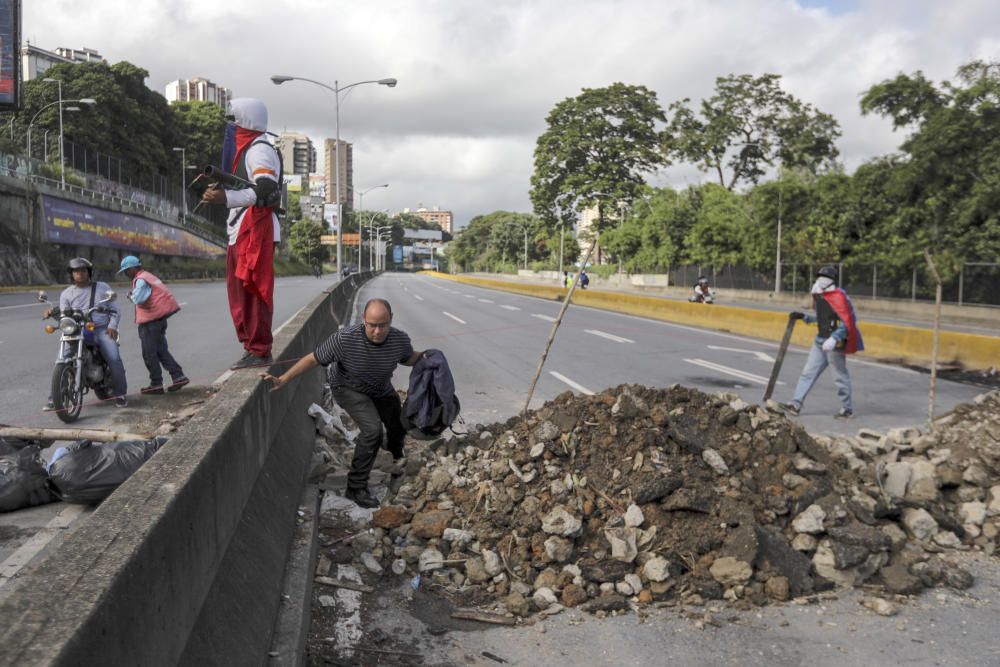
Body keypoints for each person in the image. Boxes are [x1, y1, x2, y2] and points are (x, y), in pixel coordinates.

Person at [261, 299, 424, 508]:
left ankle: (395, 459)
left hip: (380, 388)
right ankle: (356, 487)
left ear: (391, 320)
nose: (376, 331)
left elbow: (408, 358)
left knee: (397, 425)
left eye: (382, 325)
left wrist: (429, 357)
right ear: (364, 321)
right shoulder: (345, 339)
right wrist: (283, 379)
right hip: (348, 388)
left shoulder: (399, 340)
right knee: (372, 430)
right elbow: (312, 359)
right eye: (371, 325)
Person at [201, 98, 282, 371]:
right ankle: (251, 347)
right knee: (239, 292)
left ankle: (260, 350)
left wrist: (225, 197)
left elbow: (266, 190)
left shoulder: (259, 151)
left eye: (234, 120)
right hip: (240, 228)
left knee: (254, 289)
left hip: (255, 227)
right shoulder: (246, 150)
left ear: (246, 121)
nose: (230, 125)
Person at [782, 265, 864, 419]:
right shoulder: (821, 296)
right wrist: (804, 317)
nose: (821, 279)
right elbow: (822, 319)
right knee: (808, 373)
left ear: (832, 280)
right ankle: (796, 404)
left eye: (824, 277)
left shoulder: (840, 297)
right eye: (819, 276)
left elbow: (847, 323)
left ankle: (847, 409)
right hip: (820, 341)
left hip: (834, 344)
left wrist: (835, 338)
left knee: (839, 376)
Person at [49, 257, 128, 407]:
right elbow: (65, 315)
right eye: (76, 271)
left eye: (83, 270)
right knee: (62, 359)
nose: (80, 273)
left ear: (89, 272)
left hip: (100, 329)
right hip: (77, 329)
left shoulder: (103, 287)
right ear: (71, 274)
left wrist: (112, 326)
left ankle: (121, 394)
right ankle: (54, 397)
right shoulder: (66, 294)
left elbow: (115, 310)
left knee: (114, 358)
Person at [117, 255, 189, 395]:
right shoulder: (148, 275)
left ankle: (156, 384)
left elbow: (139, 299)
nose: (126, 274)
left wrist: (130, 296)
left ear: (134, 268)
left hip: (151, 322)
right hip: (159, 320)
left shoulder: (140, 280)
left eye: (127, 270)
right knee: (161, 350)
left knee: (149, 354)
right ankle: (178, 376)